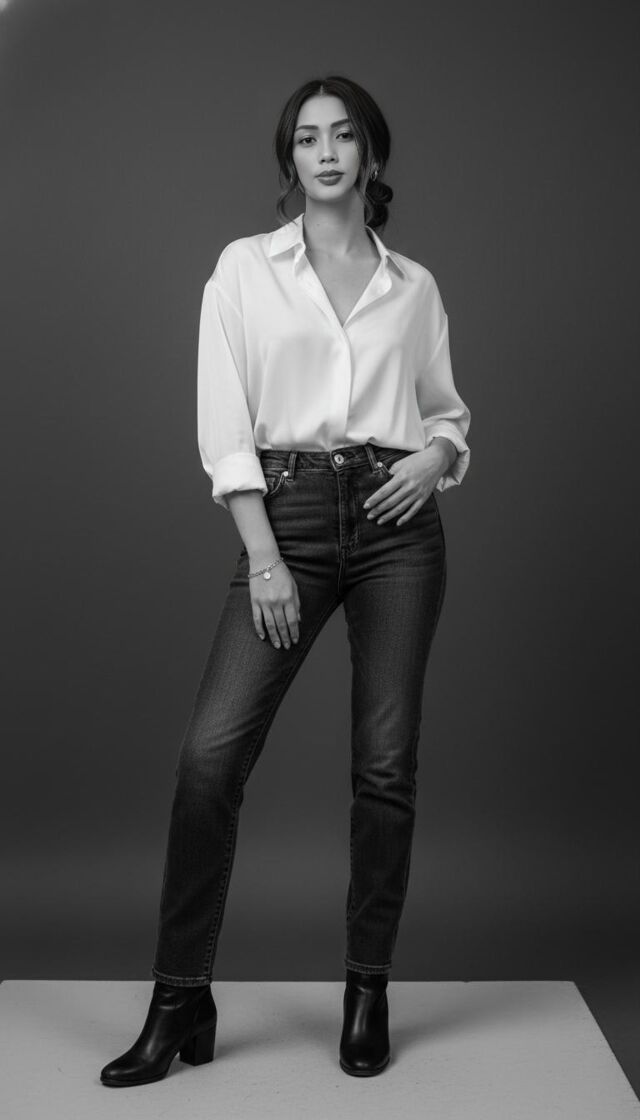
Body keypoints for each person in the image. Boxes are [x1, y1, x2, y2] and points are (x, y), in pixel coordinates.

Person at [100, 73, 471, 1088]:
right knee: (208, 761)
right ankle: (180, 998)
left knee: (384, 768)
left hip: (399, 529)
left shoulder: (414, 287)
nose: (326, 152)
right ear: (290, 158)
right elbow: (224, 421)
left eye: (343, 135)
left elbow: (444, 411)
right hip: (289, 521)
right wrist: (263, 555)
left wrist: (438, 457)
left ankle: (367, 992)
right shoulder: (244, 269)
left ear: (370, 154)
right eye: (307, 138)